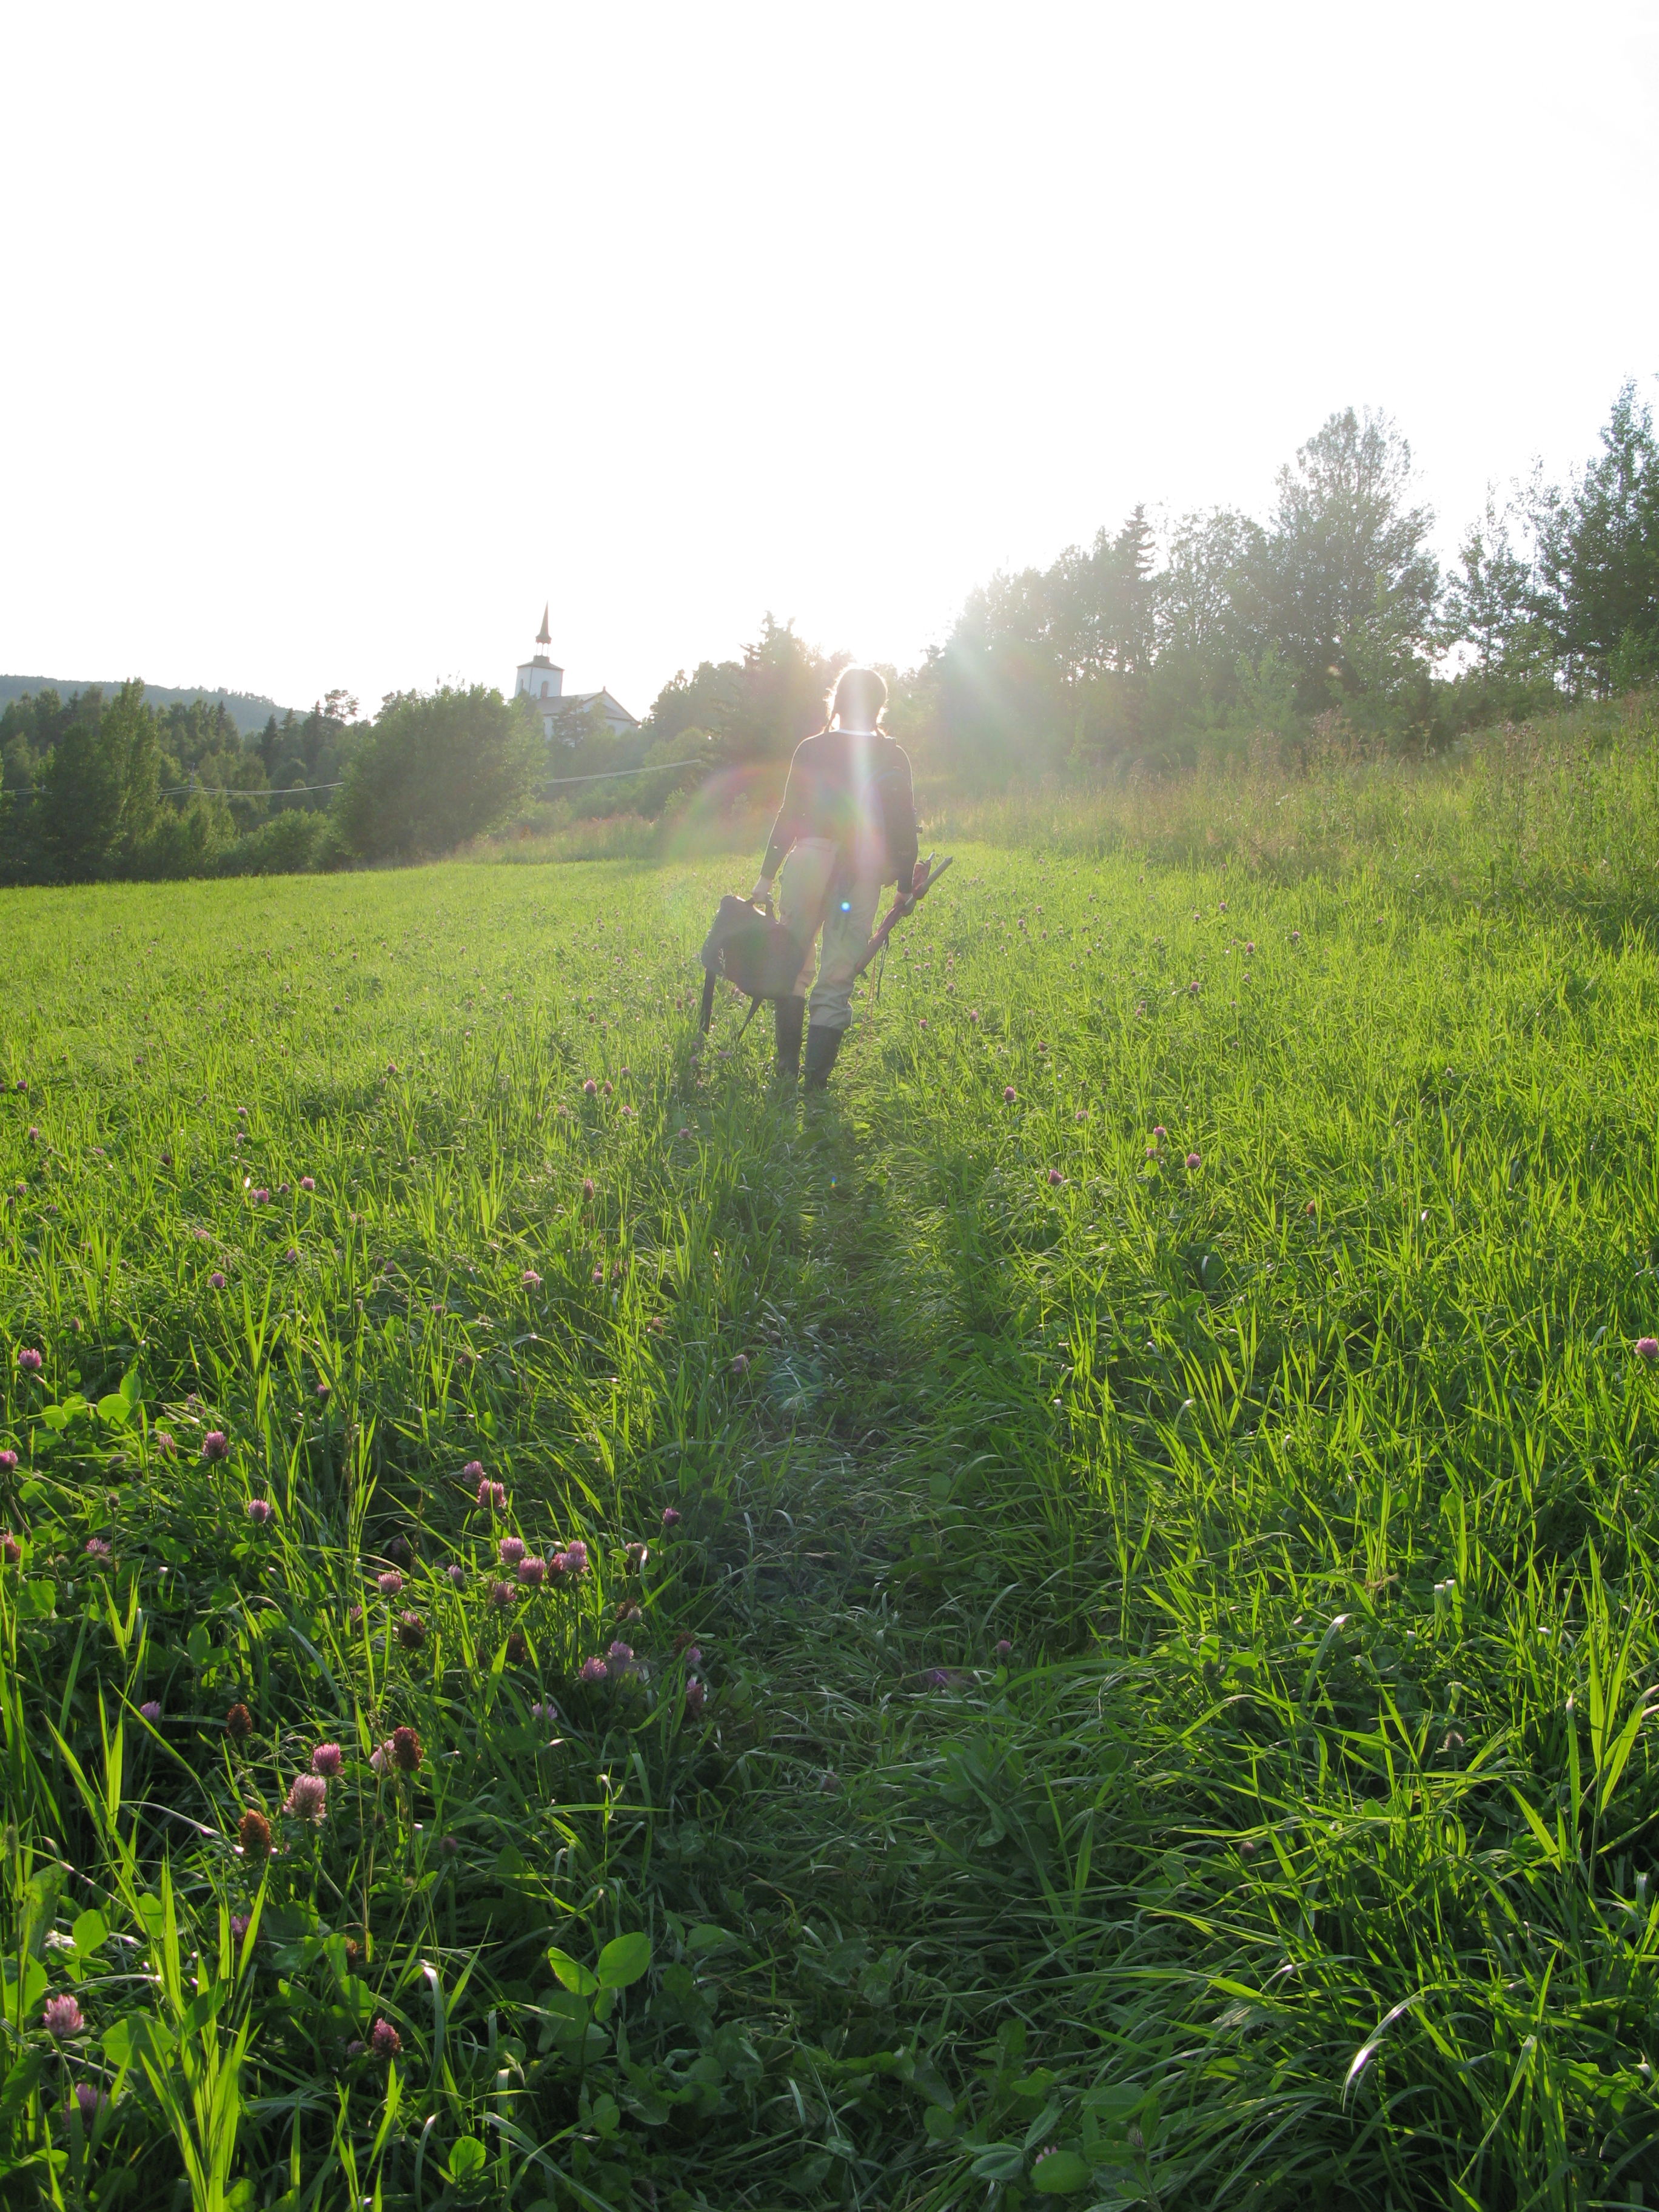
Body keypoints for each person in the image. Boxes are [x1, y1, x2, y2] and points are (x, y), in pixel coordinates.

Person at [748, 665, 925, 1090]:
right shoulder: (893, 755)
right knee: (838, 973)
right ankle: (815, 1086)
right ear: (880, 705)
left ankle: (787, 1070)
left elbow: (789, 815)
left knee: (793, 965)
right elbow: (904, 827)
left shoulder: (811, 748)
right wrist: (904, 885)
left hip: (808, 859)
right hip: (860, 869)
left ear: (837, 701)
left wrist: (765, 879)